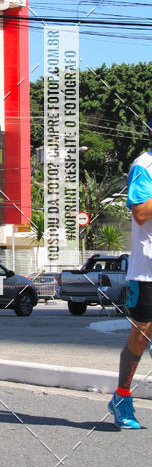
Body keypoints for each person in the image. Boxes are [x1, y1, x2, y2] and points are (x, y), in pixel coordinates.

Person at [109, 115, 152, 429]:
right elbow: (140, 212)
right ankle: (122, 397)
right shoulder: (144, 166)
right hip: (147, 271)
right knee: (141, 334)